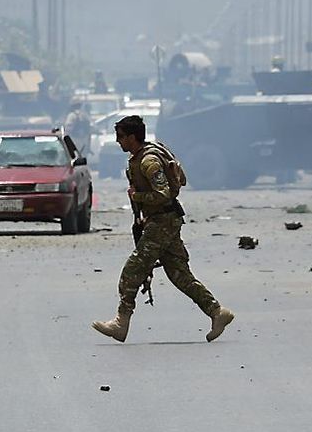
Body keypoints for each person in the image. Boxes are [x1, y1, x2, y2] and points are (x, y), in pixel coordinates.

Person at [92, 115, 235, 343]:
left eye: (120, 137)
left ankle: (121, 322)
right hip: (161, 221)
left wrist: (137, 196)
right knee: (180, 275)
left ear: (131, 137)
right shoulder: (139, 156)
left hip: (163, 222)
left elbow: (163, 193)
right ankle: (217, 312)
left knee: (131, 272)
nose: (118, 141)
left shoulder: (149, 161)